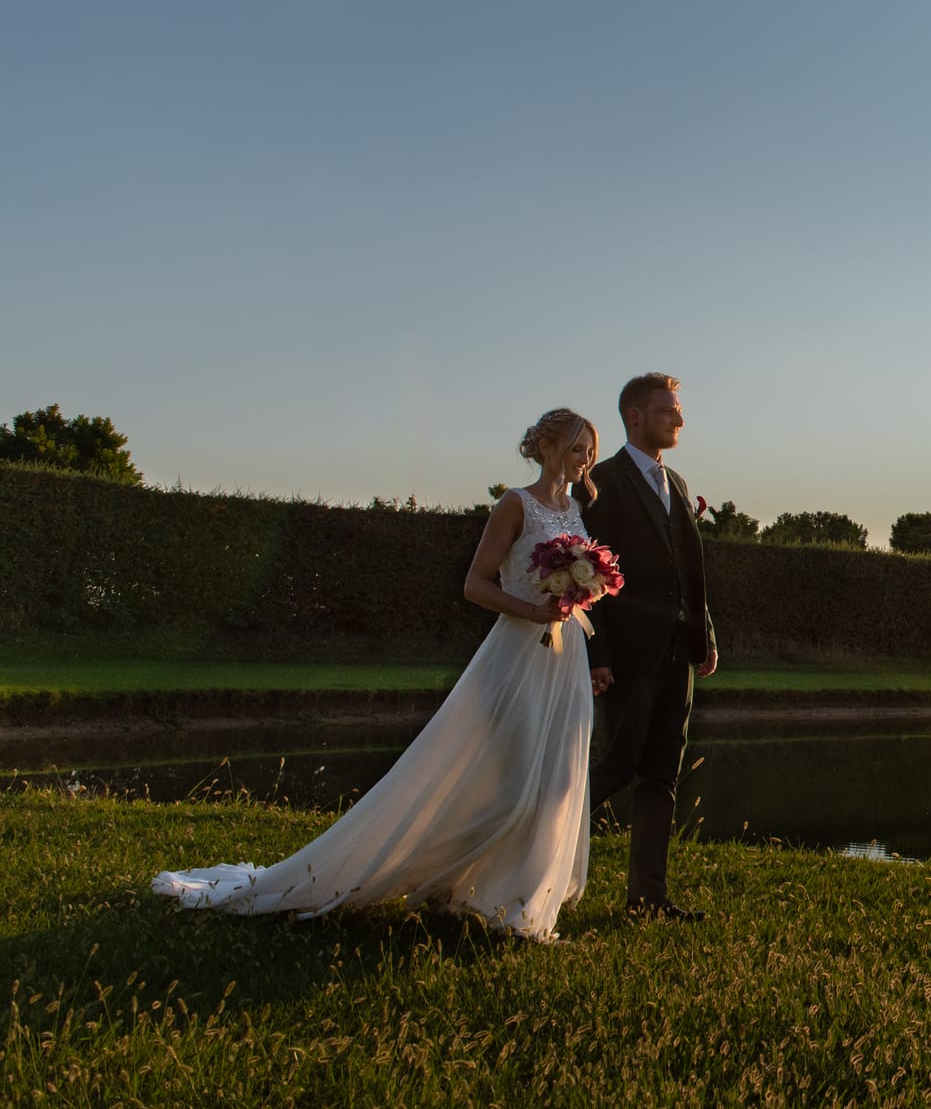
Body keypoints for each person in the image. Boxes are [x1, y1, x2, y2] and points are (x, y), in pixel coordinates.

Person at [152, 409, 604, 941]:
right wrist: (530, 610)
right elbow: (475, 585)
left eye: (590, 451)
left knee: (556, 781)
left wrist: (579, 595)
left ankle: (515, 906)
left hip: (565, 652)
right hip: (517, 654)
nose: (585, 460)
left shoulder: (574, 508)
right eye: (578, 448)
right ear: (547, 446)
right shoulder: (515, 504)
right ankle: (430, 874)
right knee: (511, 790)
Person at [578, 372, 718, 922]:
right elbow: (585, 574)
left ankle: (648, 899)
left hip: (675, 652)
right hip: (627, 654)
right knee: (614, 767)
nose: (679, 420)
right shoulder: (602, 482)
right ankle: (534, 856)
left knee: (663, 772)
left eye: (678, 410)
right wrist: (598, 653)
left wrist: (703, 635)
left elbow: (688, 568)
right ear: (634, 417)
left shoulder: (677, 483)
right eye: (667, 411)